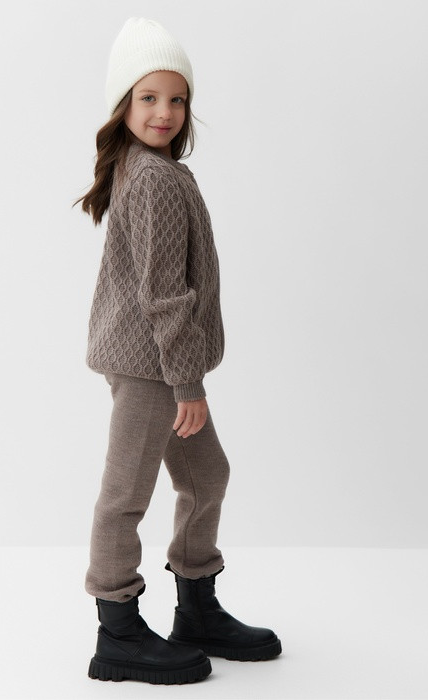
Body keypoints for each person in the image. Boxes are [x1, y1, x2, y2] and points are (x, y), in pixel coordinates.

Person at [73, 17, 282, 686]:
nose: (164, 112)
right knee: (125, 495)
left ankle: (197, 609)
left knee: (205, 475)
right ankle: (118, 632)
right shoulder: (154, 179)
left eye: (177, 98)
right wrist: (187, 383)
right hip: (151, 368)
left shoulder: (156, 171)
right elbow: (165, 296)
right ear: (123, 103)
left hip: (159, 363)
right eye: (148, 97)